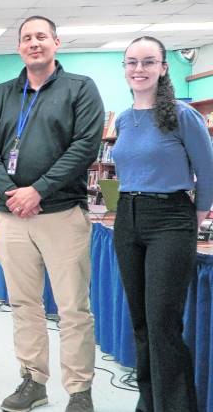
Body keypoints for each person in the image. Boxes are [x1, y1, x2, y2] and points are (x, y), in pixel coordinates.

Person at [0, 16, 104, 412]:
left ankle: (79, 390)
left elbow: (85, 146)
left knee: (72, 308)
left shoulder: (79, 89)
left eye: (41, 37)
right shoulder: (2, 93)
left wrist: (39, 190)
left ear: (56, 43)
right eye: (27, 38)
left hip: (62, 214)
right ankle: (33, 381)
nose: (34, 43)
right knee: (24, 305)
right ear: (19, 47)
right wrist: (13, 192)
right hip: (12, 216)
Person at [112, 36, 213, 412]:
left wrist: (195, 215)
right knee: (140, 323)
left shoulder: (183, 115)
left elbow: (207, 170)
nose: (139, 69)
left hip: (170, 220)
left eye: (148, 62)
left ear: (163, 68)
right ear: (124, 68)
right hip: (127, 217)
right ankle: (148, 403)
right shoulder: (123, 119)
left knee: (163, 325)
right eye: (132, 62)